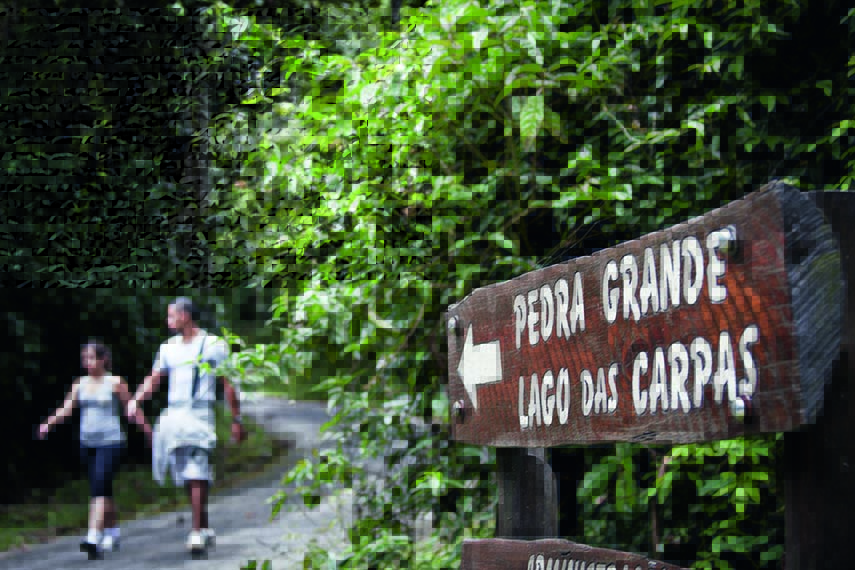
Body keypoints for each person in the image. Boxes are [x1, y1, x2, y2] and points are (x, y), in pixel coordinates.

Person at [126, 297, 246, 555]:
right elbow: (154, 378)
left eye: (172, 316)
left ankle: (195, 532)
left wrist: (236, 419)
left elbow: (228, 383)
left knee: (196, 469)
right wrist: (136, 400)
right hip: (175, 414)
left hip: (199, 413)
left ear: (186, 316)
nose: (168, 321)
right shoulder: (168, 348)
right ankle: (203, 525)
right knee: (186, 474)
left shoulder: (212, 344)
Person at [38, 340, 153, 558]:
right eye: (85, 359)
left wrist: (148, 432)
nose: (87, 362)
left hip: (111, 442)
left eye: (91, 358)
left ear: (103, 360)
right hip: (87, 444)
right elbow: (67, 408)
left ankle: (93, 535)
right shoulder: (80, 384)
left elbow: (132, 408)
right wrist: (49, 423)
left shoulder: (115, 382)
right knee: (102, 488)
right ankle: (112, 531)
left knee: (99, 485)